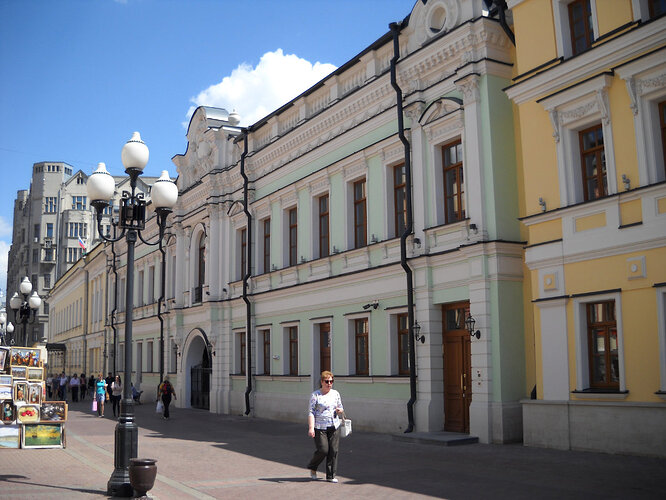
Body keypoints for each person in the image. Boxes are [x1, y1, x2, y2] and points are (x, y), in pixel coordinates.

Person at [307, 370, 344, 483]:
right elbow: (311, 412)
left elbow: (341, 407)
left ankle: (330, 475)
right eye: (327, 381)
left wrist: (340, 410)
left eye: (331, 381)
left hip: (333, 425)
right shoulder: (315, 395)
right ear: (322, 382)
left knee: (333, 451)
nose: (329, 384)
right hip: (319, 427)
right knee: (323, 450)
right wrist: (311, 428)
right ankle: (313, 466)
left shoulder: (335, 393)